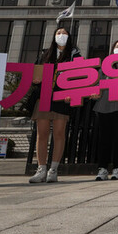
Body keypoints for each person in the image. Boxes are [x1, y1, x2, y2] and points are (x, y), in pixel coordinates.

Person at [28, 27, 81, 183]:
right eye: (58, 33)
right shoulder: (45, 54)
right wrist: (36, 80)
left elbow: (80, 76)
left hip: (62, 98)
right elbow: (35, 72)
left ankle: (54, 169)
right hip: (44, 97)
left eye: (64, 33)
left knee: (59, 133)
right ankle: (41, 169)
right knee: (42, 133)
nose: (61, 35)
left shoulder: (75, 55)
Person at [90, 40, 118, 181]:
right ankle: (102, 168)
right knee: (104, 139)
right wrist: (95, 94)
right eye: (117, 47)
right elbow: (97, 86)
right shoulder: (104, 69)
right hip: (104, 108)